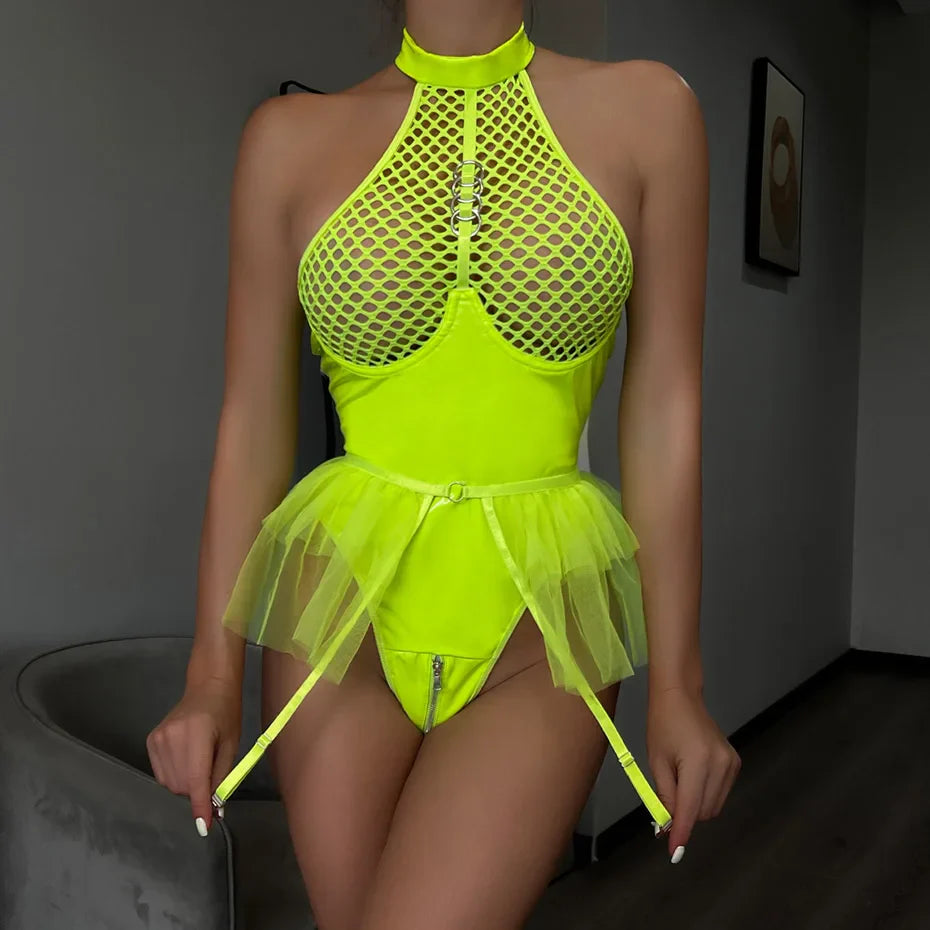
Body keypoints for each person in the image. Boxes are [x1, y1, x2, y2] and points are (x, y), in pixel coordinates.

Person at [147, 1, 741, 927]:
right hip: (337, 607)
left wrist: (680, 685)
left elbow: (666, 412)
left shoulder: (652, 114)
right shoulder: (284, 140)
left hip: (541, 616)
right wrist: (210, 678)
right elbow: (251, 423)